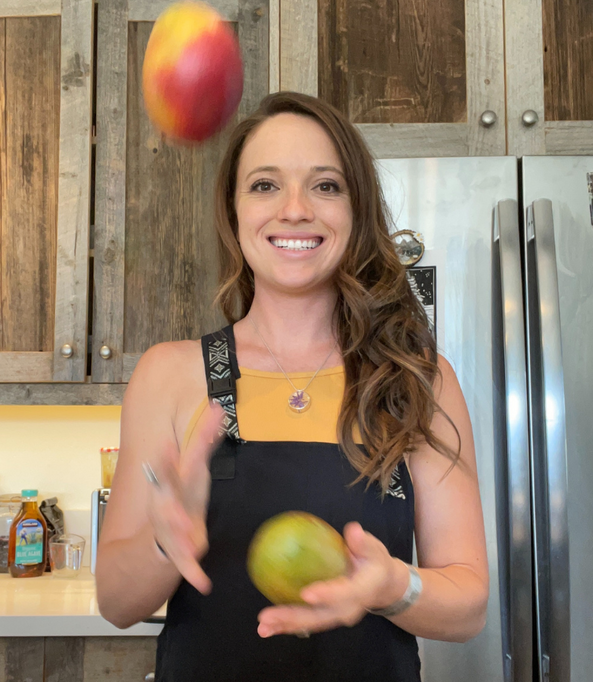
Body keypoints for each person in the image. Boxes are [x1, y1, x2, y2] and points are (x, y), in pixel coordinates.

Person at [95, 92, 488, 682]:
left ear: (357, 211)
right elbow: (117, 604)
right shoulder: (170, 375)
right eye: (264, 185)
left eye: (326, 185)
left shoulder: (416, 376)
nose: (296, 209)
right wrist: (164, 541)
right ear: (233, 212)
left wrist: (390, 586)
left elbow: (468, 604)